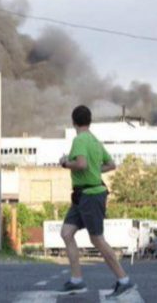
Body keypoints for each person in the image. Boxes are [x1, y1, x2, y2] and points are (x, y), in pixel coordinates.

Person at [58, 105, 133, 298]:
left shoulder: (80, 139)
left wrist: (65, 163)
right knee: (66, 233)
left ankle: (123, 280)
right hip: (83, 195)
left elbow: (81, 163)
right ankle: (77, 280)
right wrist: (94, 171)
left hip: (90, 195)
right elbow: (111, 164)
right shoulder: (95, 140)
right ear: (89, 121)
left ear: (73, 121)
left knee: (97, 239)